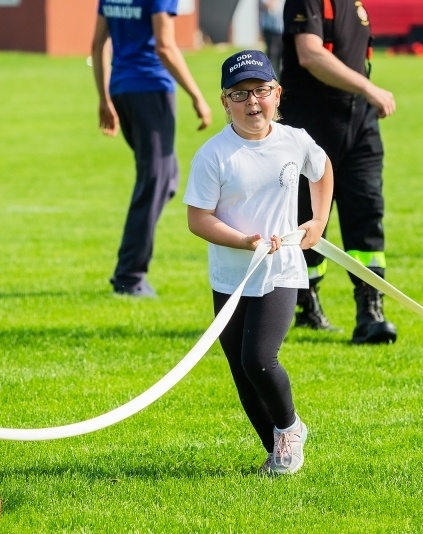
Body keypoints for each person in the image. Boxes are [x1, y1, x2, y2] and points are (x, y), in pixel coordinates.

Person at [183, 50, 333, 475]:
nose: (253, 102)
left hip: (280, 268)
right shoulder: (214, 155)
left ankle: (290, 428)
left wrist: (318, 220)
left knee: (259, 358)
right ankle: (276, 450)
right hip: (231, 274)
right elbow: (198, 219)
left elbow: (322, 171)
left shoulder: (294, 140)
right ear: (225, 101)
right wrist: (242, 241)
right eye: (240, 94)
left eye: (262, 91)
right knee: (239, 367)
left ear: (278, 94)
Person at [279, 0, 398, 345]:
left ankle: (370, 310)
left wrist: (364, 96)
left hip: (360, 123)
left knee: (367, 212)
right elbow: (310, 54)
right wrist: (368, 87)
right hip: (313, 122)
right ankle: (304, 302)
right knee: (307, 218)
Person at [91, 0, 212, 297]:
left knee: (166, 178)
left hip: (122, 90)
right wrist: (198, 96)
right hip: (151, 89)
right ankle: (129, 278)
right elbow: (165, 46)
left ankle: (130, 273)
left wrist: (105, 98)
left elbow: (96, 45)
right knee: (154, 182)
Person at [259, 0, 285, 76]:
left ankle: (280, 78)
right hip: (271, 30)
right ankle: (270, 77)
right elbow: (267, 6)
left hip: (283, 30)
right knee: (272, 55)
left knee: (283, 56)